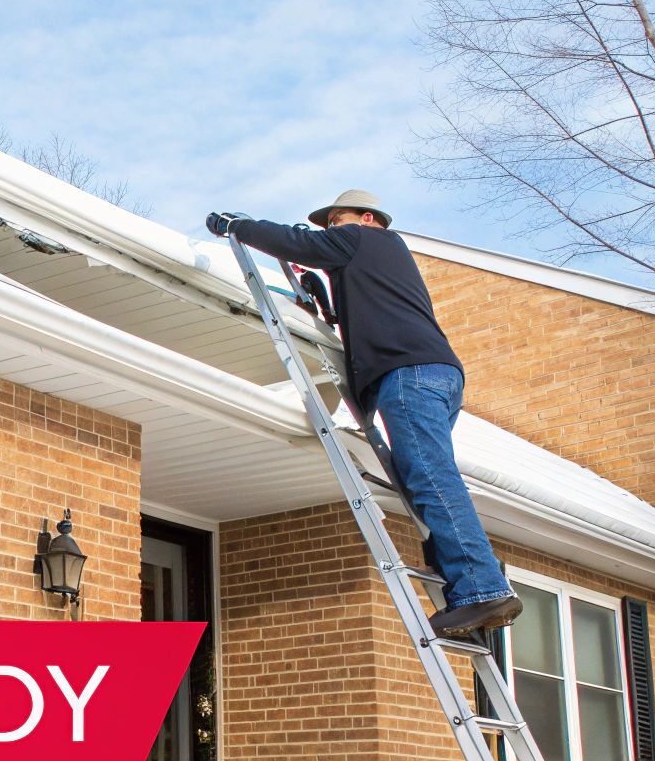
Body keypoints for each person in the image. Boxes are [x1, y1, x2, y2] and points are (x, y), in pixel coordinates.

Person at [205, 191, 523, 637]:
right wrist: (325, 305)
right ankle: (463, 591)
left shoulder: (364, 240)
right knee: (424, 481)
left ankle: (482, 589)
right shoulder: (376, 262)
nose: (331, 228)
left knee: (431, 478)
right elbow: (365, 314)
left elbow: (298, 243)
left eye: (338, 220)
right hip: (432, 374)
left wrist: (237, 226)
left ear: (366, 218)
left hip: (408, 374)